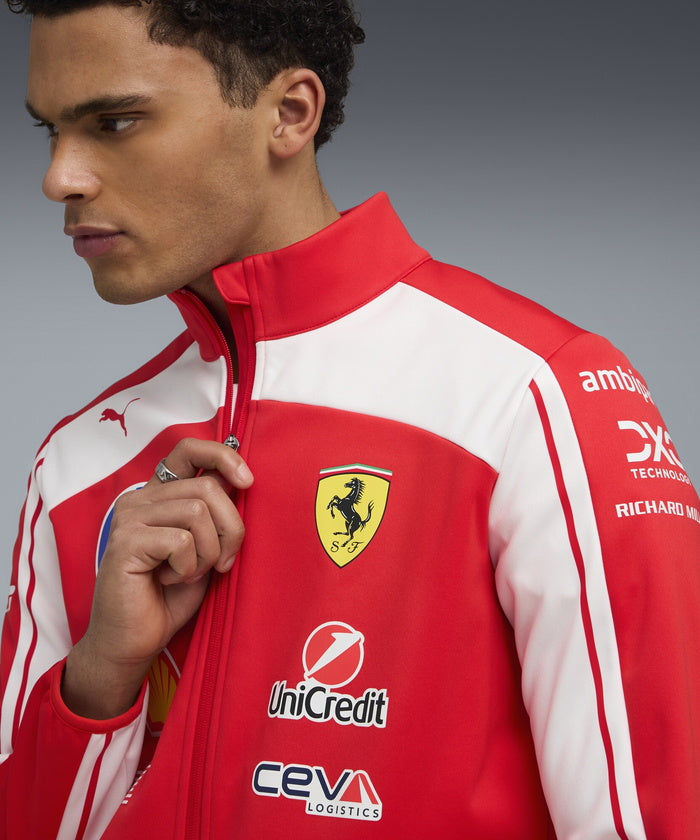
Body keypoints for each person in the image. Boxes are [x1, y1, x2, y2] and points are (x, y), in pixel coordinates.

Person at [1, 0, 699, 837]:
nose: (60, 179)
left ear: (289, 113)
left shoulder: (534, 394)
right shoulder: (77, 464)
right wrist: (102, 676)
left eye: (114, 122)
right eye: (50, 130)